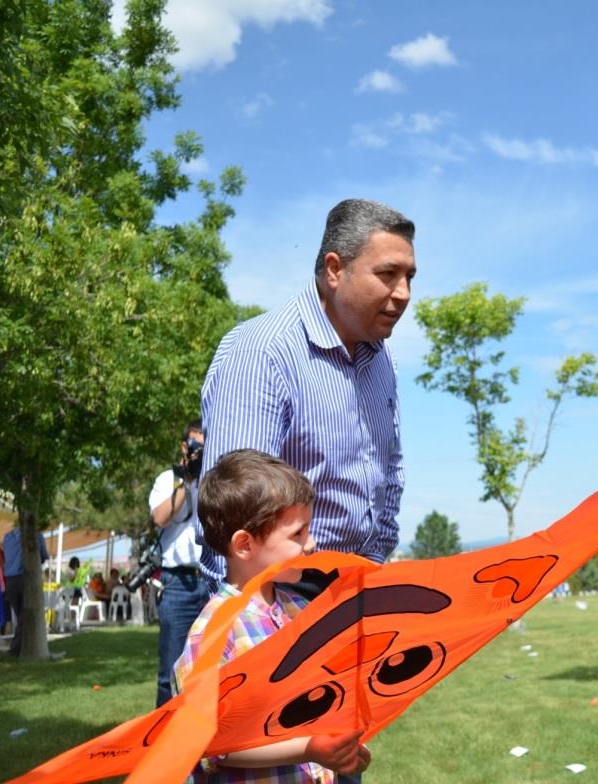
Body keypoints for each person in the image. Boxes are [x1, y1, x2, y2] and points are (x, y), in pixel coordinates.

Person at [199, 199, 415, 596]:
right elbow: (227, 515)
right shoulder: (262, 353)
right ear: (335, 269)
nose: (403, 293)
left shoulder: (383, 362)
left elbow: (390, 475)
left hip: (359, 591)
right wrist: (256, 621)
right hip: (282, 605)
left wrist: (372, 571)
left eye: (409, 277)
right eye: (388, 274)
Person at [174, 448, 371, 783]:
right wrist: (308, 748)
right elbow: (210, 741)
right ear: (245, 546)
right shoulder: (212, 632)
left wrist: (338, 749)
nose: (312, 543)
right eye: (298, 533)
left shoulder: (301, 609)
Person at [149, 420, 209, 707]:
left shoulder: (213, 480)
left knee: (208, 670)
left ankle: (200, 744)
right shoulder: (167, 480)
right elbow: (160, 518)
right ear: (184, 446)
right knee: (170, 672)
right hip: (177, 584)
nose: (198, 453)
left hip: (210, 581)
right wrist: (186, 480)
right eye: (195, 447)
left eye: (203, 447)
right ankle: (165, 745)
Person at [2, 526, 49, 656]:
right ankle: (15, 650)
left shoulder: (7, 537)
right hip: (25, 579)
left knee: (21, 617)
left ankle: (22, 648)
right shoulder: (35, 535)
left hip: (9, 581)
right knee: (25, 618)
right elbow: (43, 556)